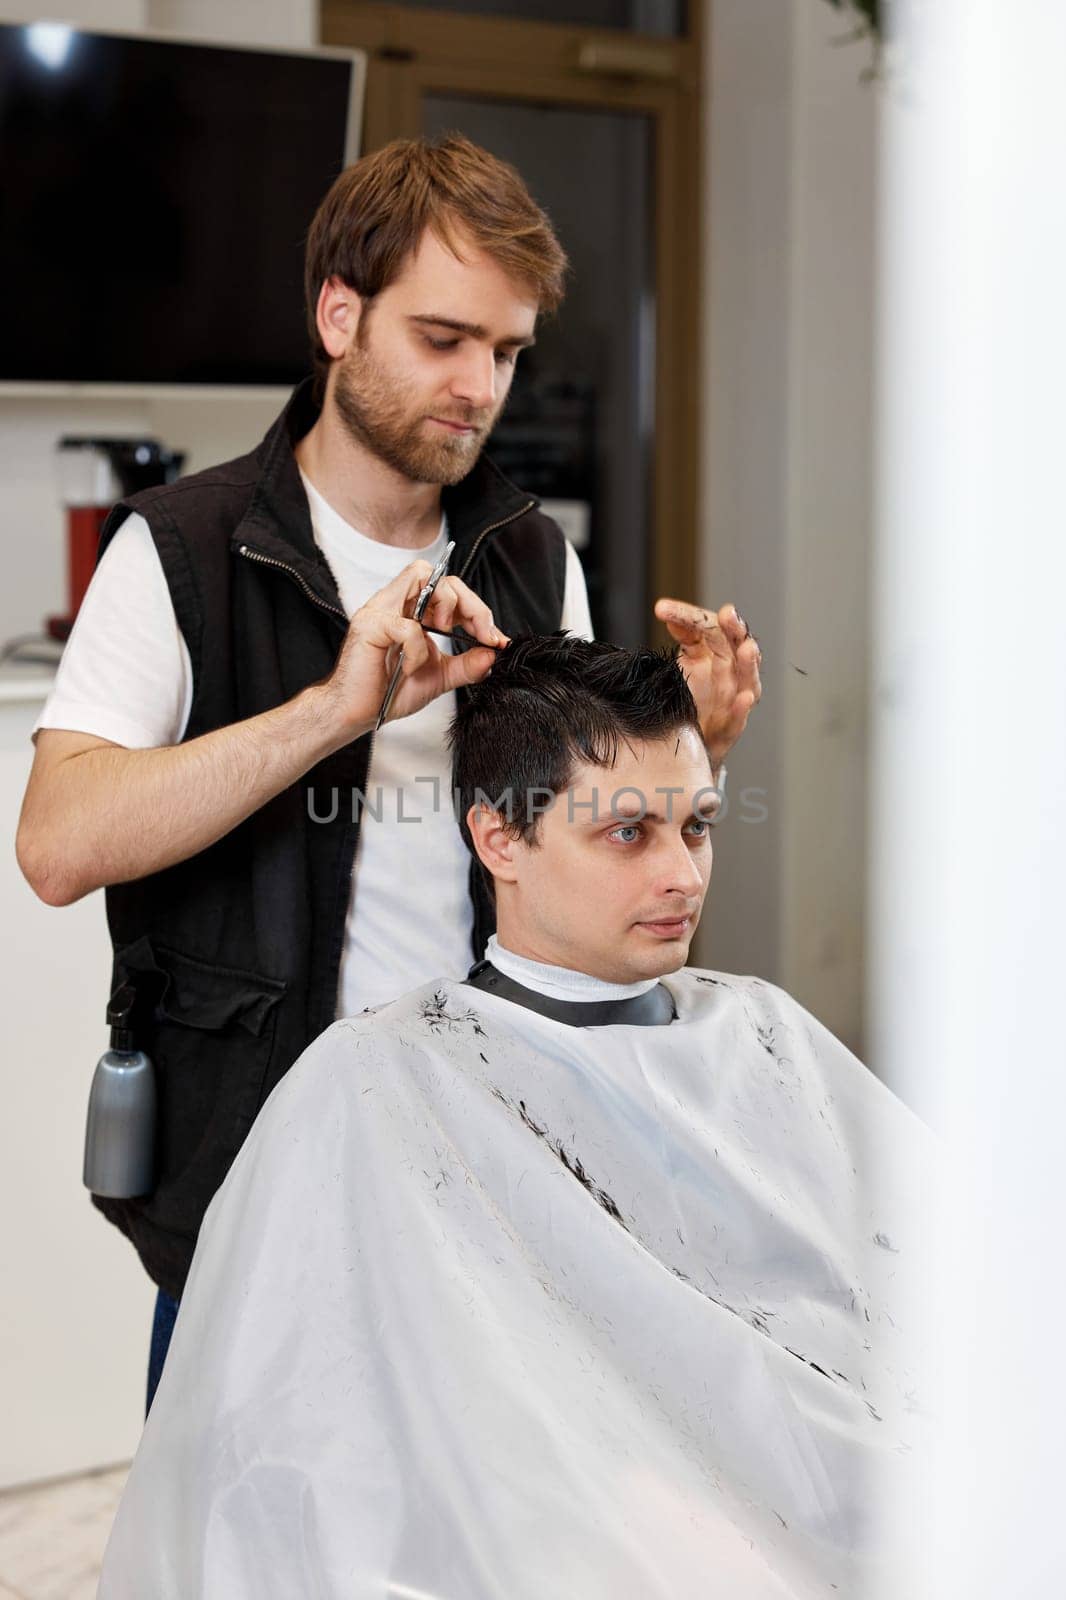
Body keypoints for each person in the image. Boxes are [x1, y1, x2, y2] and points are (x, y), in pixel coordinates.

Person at [15, 135, 761, 1404]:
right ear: (338, 314)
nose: (481, 385)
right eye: (443, 338)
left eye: (508, 351)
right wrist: (331, 713)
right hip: (247, 1177)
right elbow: (57, 843)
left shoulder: (533, 559)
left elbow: (563, 855)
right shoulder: (182, 551)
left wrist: (680, 765)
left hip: (481, 1166)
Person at [97, 637, 926, 1600]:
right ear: (499, 839)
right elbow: (316, 1455)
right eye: (627, 833)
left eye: (696, 827)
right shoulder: (383, 1085)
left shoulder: (762, 1032)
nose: (682, 877)